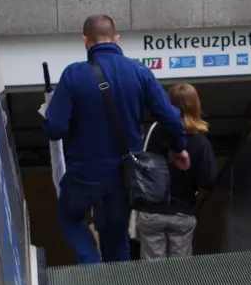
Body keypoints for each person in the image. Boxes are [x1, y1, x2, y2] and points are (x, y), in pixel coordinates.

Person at [43, 14, 190, 264]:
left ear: (85, 40)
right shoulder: (139, 71)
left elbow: (54, 129)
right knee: (115, 235)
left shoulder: (73, 75)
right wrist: (179, 148)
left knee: (69, 217)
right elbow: (171, 117)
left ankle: (90, 264)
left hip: (84, 174)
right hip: (124, 176)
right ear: (116, 39)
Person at [135, 83, 217, 260]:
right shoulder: (200, 142)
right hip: (182, 213)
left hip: (152, 211)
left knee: (152, 272)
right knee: (179, 273)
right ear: (196, 105)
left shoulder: (155, 130)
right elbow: (209, 181)